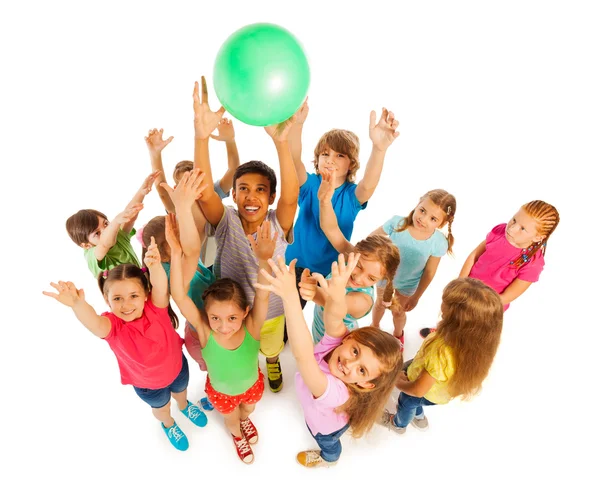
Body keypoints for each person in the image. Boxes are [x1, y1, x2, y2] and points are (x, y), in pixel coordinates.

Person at [43, 238, 207, 452]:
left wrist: (155, 266)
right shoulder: (112, 326)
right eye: (118, 298)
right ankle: (168, 424)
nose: (126, 304)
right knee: (162, 408)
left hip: (178, 369)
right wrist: (76, 303)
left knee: (181, 392)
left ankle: (184, 406)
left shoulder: (156, 307)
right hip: (148, 386)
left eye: (133, 296)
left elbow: (160, 285)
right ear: (106, 298)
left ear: (145, 293)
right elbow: (93, 321)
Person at [192, 76, 298, 393]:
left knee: (270, 347)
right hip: (233, 314)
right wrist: (201, 137)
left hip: (273, 309)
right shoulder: (224, 220)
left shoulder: (278, 223)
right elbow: (204, 193)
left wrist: (281, 143)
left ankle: (274, 360)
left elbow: (292, 197)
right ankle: (253, 368)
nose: (251, 196)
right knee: (247, 351)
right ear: (234, 196)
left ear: (271, 197)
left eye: (260, 190)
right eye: (243, 190)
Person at [255, 254, 403, 468]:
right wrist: (338, 290)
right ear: (350, 337)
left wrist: (290, 298)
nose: (349, 364)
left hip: (326, 430)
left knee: (328, 443)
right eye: (355, 351)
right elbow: (333, 317)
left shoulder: (336, 391)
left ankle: (329, 458)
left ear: (366, 384)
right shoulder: (339, 341)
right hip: (321, 413)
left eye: (362, 371)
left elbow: (304, 356)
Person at [167, 209, 276, 464]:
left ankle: (245, 419)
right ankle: (237, 434)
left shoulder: (252, 327)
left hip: (252, 386)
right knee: (231, 419)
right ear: (207, 315)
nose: (223, 326)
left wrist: (264, 261)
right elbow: (180, 297)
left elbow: (262, 294)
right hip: (221, 394)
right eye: (215, 317)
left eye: (231, 318)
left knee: (248, 409)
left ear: (245, 312)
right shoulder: (205, 332)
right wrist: (174, 252)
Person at [285, 98, 400, 305]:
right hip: (297, 262)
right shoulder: (310, 185)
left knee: (329, 312)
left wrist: (379, 148)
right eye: (325, 154)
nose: (330, 159)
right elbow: (293, 159)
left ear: (351, 164)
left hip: (332, 269)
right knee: (287, 312)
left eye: (339, 155)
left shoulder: (352, 195)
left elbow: (369, 183)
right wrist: (298, 124)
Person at [421, 200, 560, 338]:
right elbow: (474, 256)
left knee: (467, 329)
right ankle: (442, 330)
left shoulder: (532, 263)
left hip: (486, 305)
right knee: (450, 312)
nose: (511, 228)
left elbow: (508, 296)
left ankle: (455, 344)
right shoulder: (500, 232)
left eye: (522, 229)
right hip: (467, 287)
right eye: (514, 220)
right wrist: (460, 282)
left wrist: (478, 305)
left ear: (538, 237)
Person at [380, 278, 503, 433]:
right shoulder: (478, 345)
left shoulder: (441, 352)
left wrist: (399, 383)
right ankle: (419, 418)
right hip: (436, 392)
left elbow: (418, 390)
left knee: (407, 402)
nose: (441, 311)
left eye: (445, 316)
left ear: (457, 322)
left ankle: (398, 424)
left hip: (421, 389)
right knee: (415, 402)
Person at [298, 168, 400, 343]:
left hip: (336, 346)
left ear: (381, 279)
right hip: (318, 333)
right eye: (359, 266)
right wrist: (324, 201)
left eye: (371, 277)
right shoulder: (350, 257)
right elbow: (330, 229)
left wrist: (313, 290)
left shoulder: (363, 300)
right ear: (355, 253)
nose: (359, 277)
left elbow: (334, 306)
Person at [369, 189, 456, 348]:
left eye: (433, 218)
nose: (423, 219)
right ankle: (374, 326)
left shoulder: (438, 242)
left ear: (442, 223)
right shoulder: (398, 223)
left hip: (409, 284)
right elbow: (372, 238)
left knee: (398, 311)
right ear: (418, 202)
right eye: (422, 210)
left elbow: (429, 273)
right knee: (380, 303)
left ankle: (397, 334)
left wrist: (416, 296)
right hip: (385, 277)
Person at [65, 172, 158, 278]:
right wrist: (116, 221)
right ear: (86, 245)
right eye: (97, 233)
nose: (106, 230)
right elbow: (105, 243)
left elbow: (129, 216)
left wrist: (142, 192)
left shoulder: (119, 237)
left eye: (106, 224)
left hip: (141, 289)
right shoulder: (92, 254)